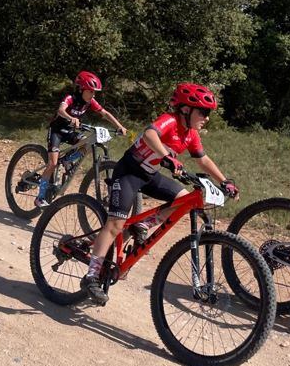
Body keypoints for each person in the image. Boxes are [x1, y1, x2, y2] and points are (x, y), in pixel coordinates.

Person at [80, 83, 239, 306]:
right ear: (186, 109)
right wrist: (168, 157)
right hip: (129, 171)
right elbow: (150, 134)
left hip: (150, 176)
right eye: (203, 112)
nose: (207, 118)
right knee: (115, 224)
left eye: (208, 113)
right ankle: (92, 276)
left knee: (184, 199)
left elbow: (202, 159)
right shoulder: (171, 120)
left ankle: (143, 225)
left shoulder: (191, 134)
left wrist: (225, 181)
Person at [35, 71, 127, 208]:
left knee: (87, 144)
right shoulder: (71, 98)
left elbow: (105, 113)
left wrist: (119, 126)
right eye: (91, 91)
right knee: (53, 164)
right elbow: (61, 110)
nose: (93, 95)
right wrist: (70, 118)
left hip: (70, 132)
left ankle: (67, 160)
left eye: (95, 92)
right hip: (57, 132)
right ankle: (40, 197)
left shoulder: (90, 101)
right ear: (81, 89)